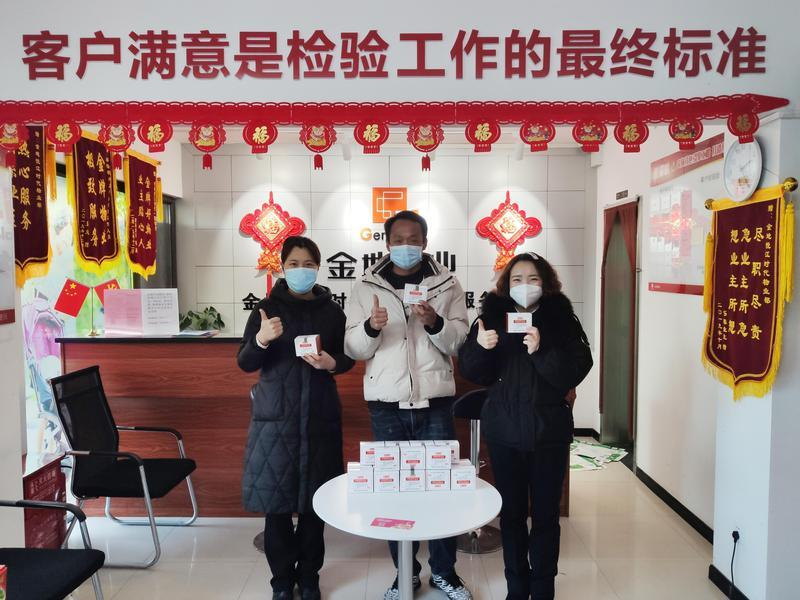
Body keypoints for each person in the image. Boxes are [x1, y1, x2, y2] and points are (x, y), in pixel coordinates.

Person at [344, 211, 472, 600]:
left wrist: (435, 322)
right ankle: (406, 573)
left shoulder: (447, 283)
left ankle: (445, 572)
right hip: (386, 404)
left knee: (441, 489)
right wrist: (371, 328)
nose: (405, 246)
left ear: (425, 242)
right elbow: (352, 347)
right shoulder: (365, 285)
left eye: (413, 239)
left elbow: (460, 341)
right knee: (393, 491)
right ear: (386, 244)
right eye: (398, 240)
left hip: (435, 402)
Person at [458, 252, 593, 600]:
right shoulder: (489, 318)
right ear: (506, 284)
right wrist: (481, 348)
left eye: (533, 278)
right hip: (504, 432)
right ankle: (516, 587)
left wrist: (542, 350)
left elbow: (577, 369)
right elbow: (473, 371)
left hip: (549, 433)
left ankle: (543, 588)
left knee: (546, 517)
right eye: (517, 279)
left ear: (546, 284)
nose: (525, 285)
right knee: (513, 516)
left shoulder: (562, 319)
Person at [237, 236, 355, 600]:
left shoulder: (333, 312)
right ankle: (281, 582)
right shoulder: (266, 309)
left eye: (308, 264)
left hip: (320, 418)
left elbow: (346, 357)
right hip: (276, 421)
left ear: (317, 268)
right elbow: (245, 362)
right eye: (293, 264)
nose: (300, 270)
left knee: (314, 508)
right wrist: (261, 339)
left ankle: (309, 578)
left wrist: (332, 363)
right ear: (282, 267)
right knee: (276, 508)